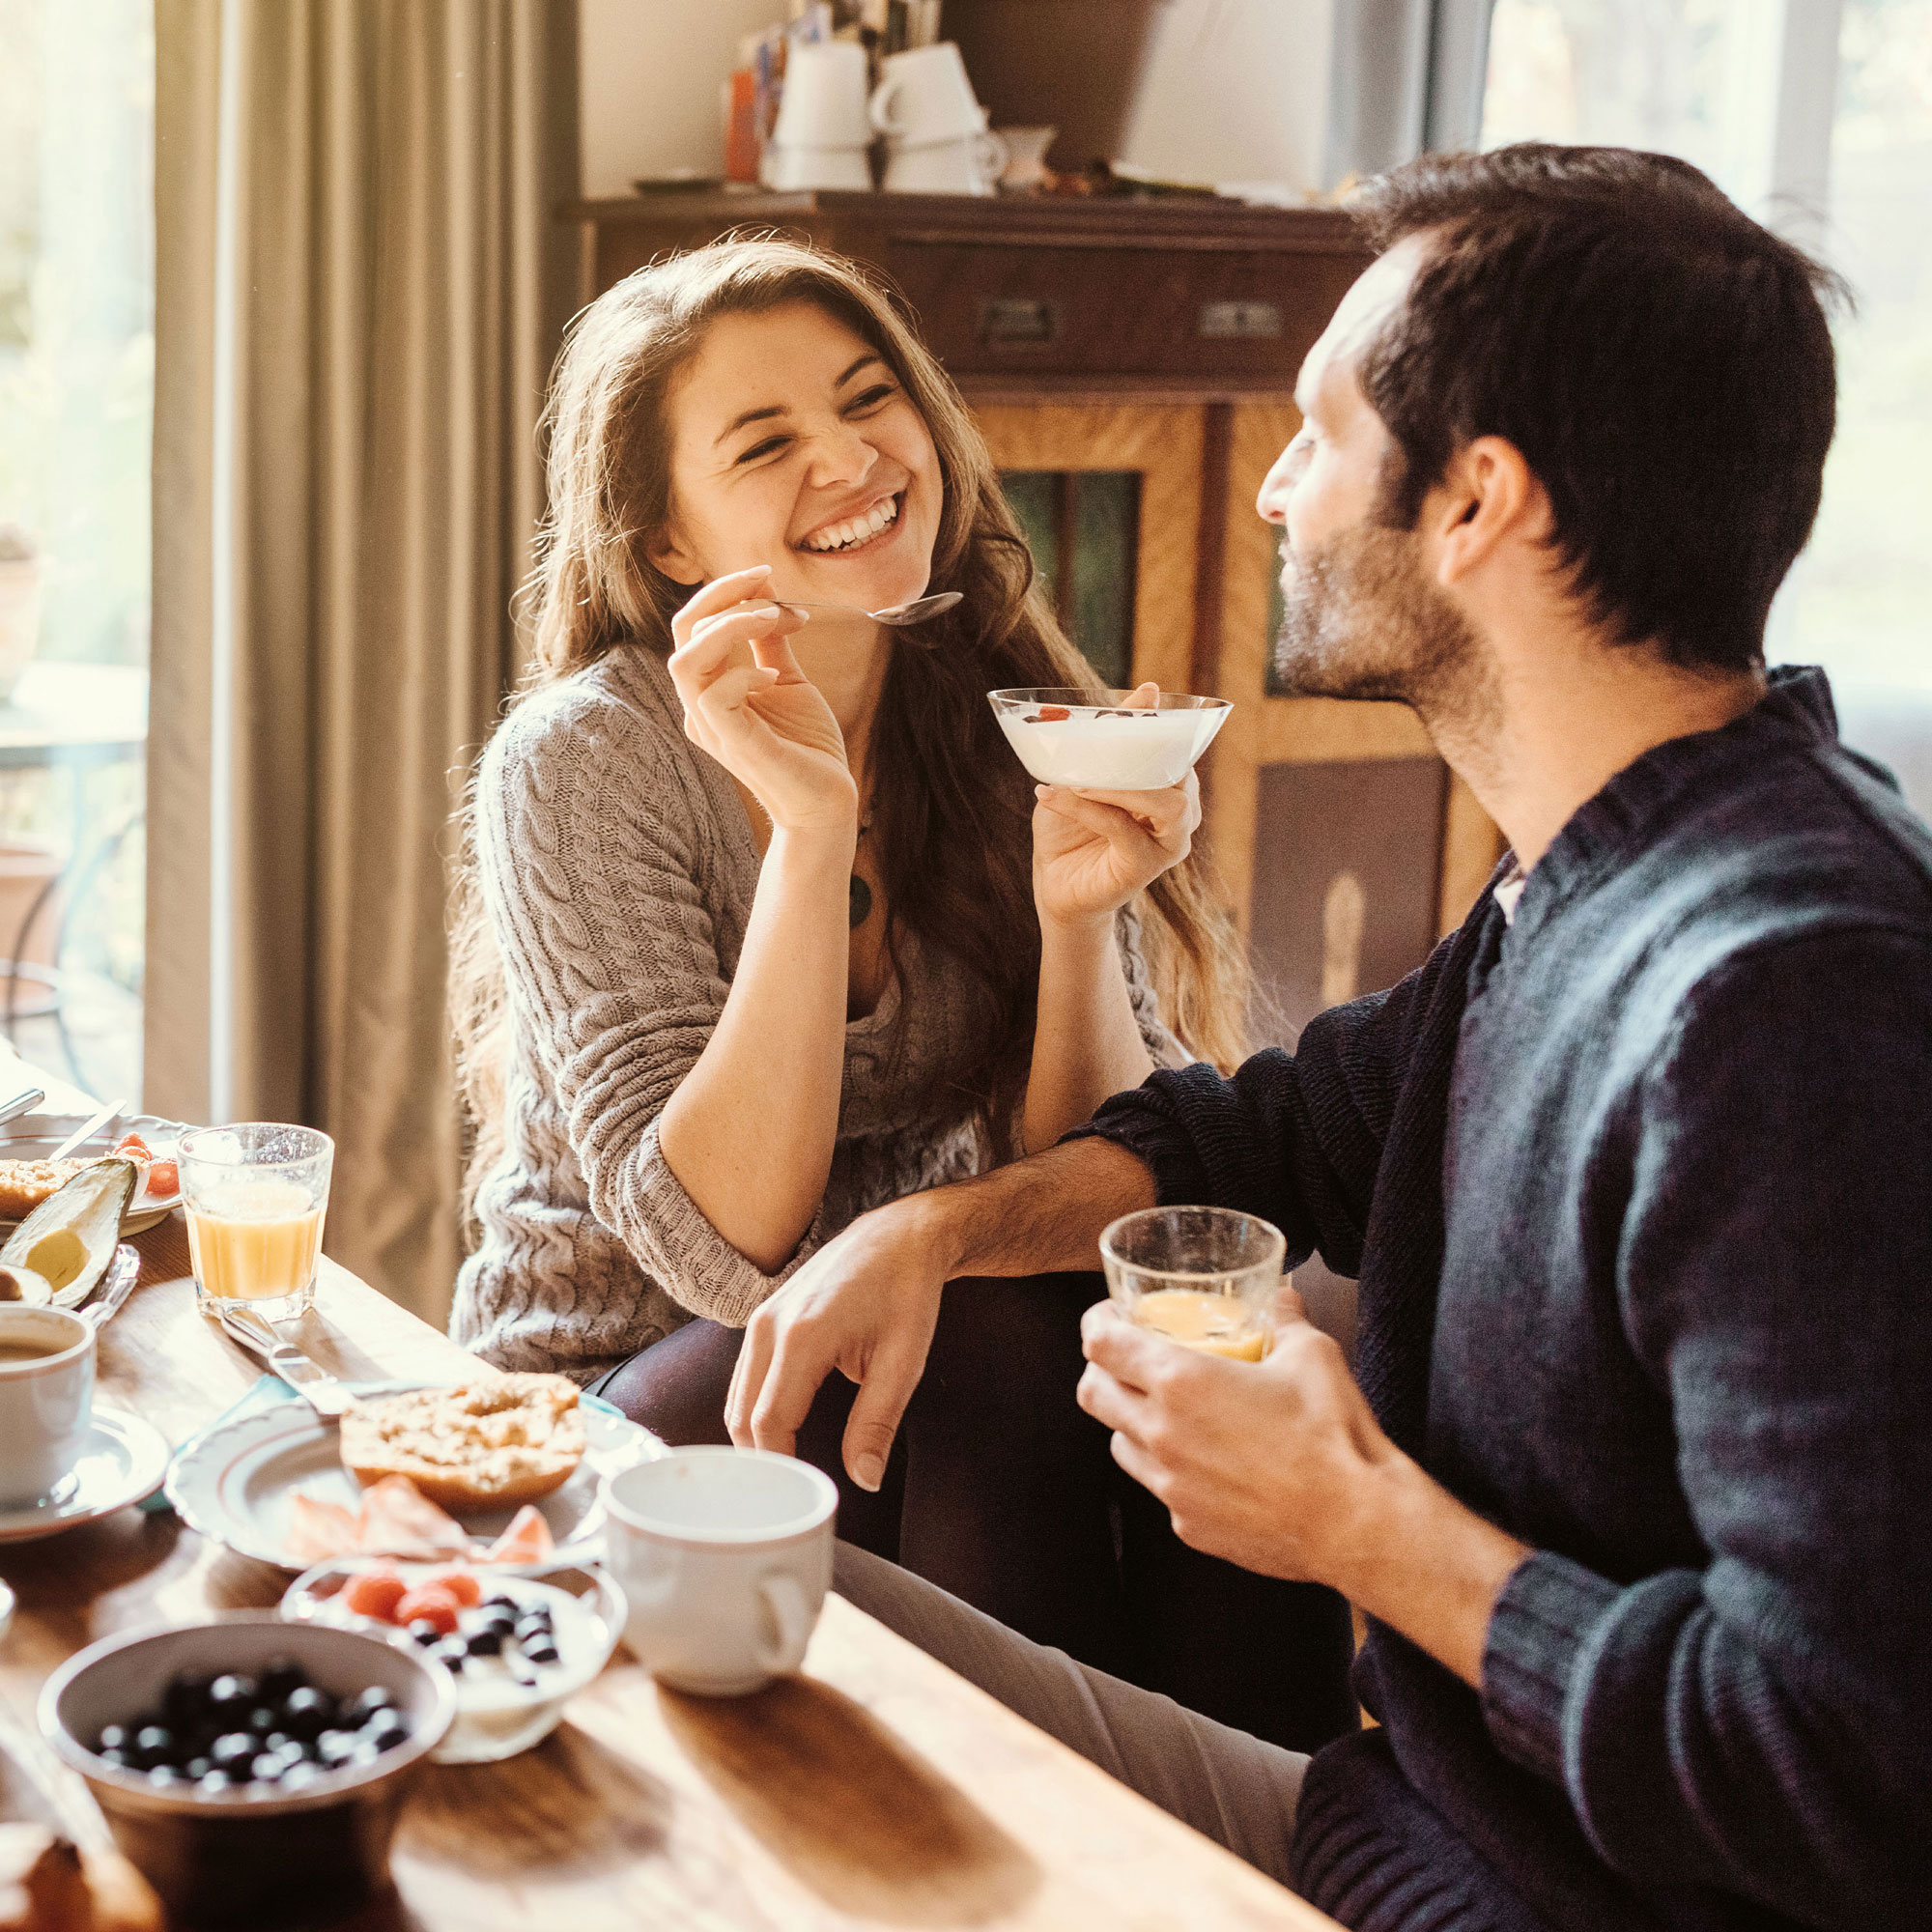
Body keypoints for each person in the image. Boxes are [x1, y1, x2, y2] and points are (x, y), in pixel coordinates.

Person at [724, 144, 1932, 1930]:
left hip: (1504, 1898)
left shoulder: (1785, 1003)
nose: (1279, 488)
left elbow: (1853, 1771)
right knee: (733, 1608)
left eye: (1320, 430)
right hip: (1396, 1826)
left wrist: (1358, 1526)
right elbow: (1274, 1130)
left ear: (1477, 505)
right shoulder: (1583, 886)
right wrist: (938, 1230)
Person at [444, 238, 1356, 1743]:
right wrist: (809, 835)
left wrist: (1081, 919)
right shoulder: (585, 763)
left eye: (871, 401)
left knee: (1202, 1366)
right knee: (991, 1349)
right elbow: (726, 1249)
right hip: (606, 1399)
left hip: (932, 1345)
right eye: (766, 443)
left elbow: (1096, 1194)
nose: (852, 457)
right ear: (668, 541)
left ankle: (1284, 1855)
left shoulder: (1002, 707)